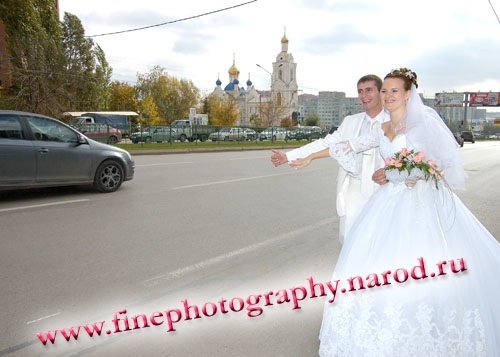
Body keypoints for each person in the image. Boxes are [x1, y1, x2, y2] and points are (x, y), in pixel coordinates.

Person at [293, 68, 500, 356]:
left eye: (394, 91)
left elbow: (439, 165)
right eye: (385, 91)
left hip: (422, 204)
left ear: (407, 94)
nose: (388, 96)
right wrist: (308, 156)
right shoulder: (382, 129)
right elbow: (350, 144)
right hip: (388, 203)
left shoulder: (423, 122)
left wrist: (395, 172)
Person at [271, 75, 389, 243]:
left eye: (369, 90)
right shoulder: (350, 122)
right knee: (351, 240)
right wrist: (289, 155)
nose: (364, 96)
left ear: (380, 92)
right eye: (360, 91)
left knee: (381, 241)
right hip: (355, 191)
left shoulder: (394, 121)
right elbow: (325, 143)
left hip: (385, 189)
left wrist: (390, 172)